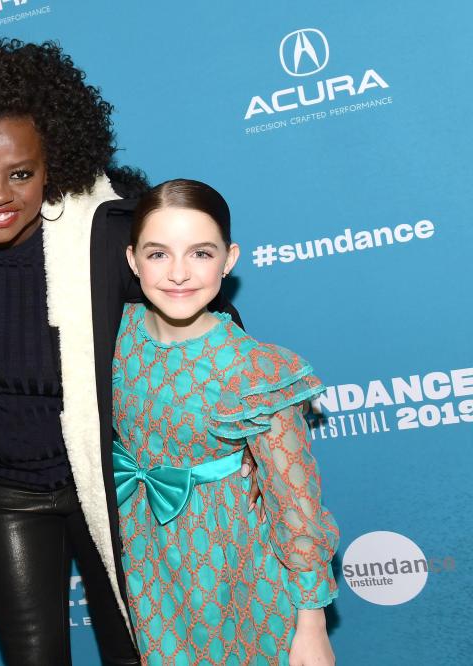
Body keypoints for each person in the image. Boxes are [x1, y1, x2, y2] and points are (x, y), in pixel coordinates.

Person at [0, 39, 253, 665]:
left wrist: (228, 444)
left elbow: (209, 317)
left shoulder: (107, 233)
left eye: (21, 173)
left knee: (140, 651)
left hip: (118, 482)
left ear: (54, 165)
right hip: (6, 493)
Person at [113, 179, 338, 665]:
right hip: (148, 563)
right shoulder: (113, 337)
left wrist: (312, 623)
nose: (177, 274)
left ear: (228, 259)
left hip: (241, 568)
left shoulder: (256, 369)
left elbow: (294, 501)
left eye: (199, 253)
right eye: (157, 254)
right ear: (132, 260)